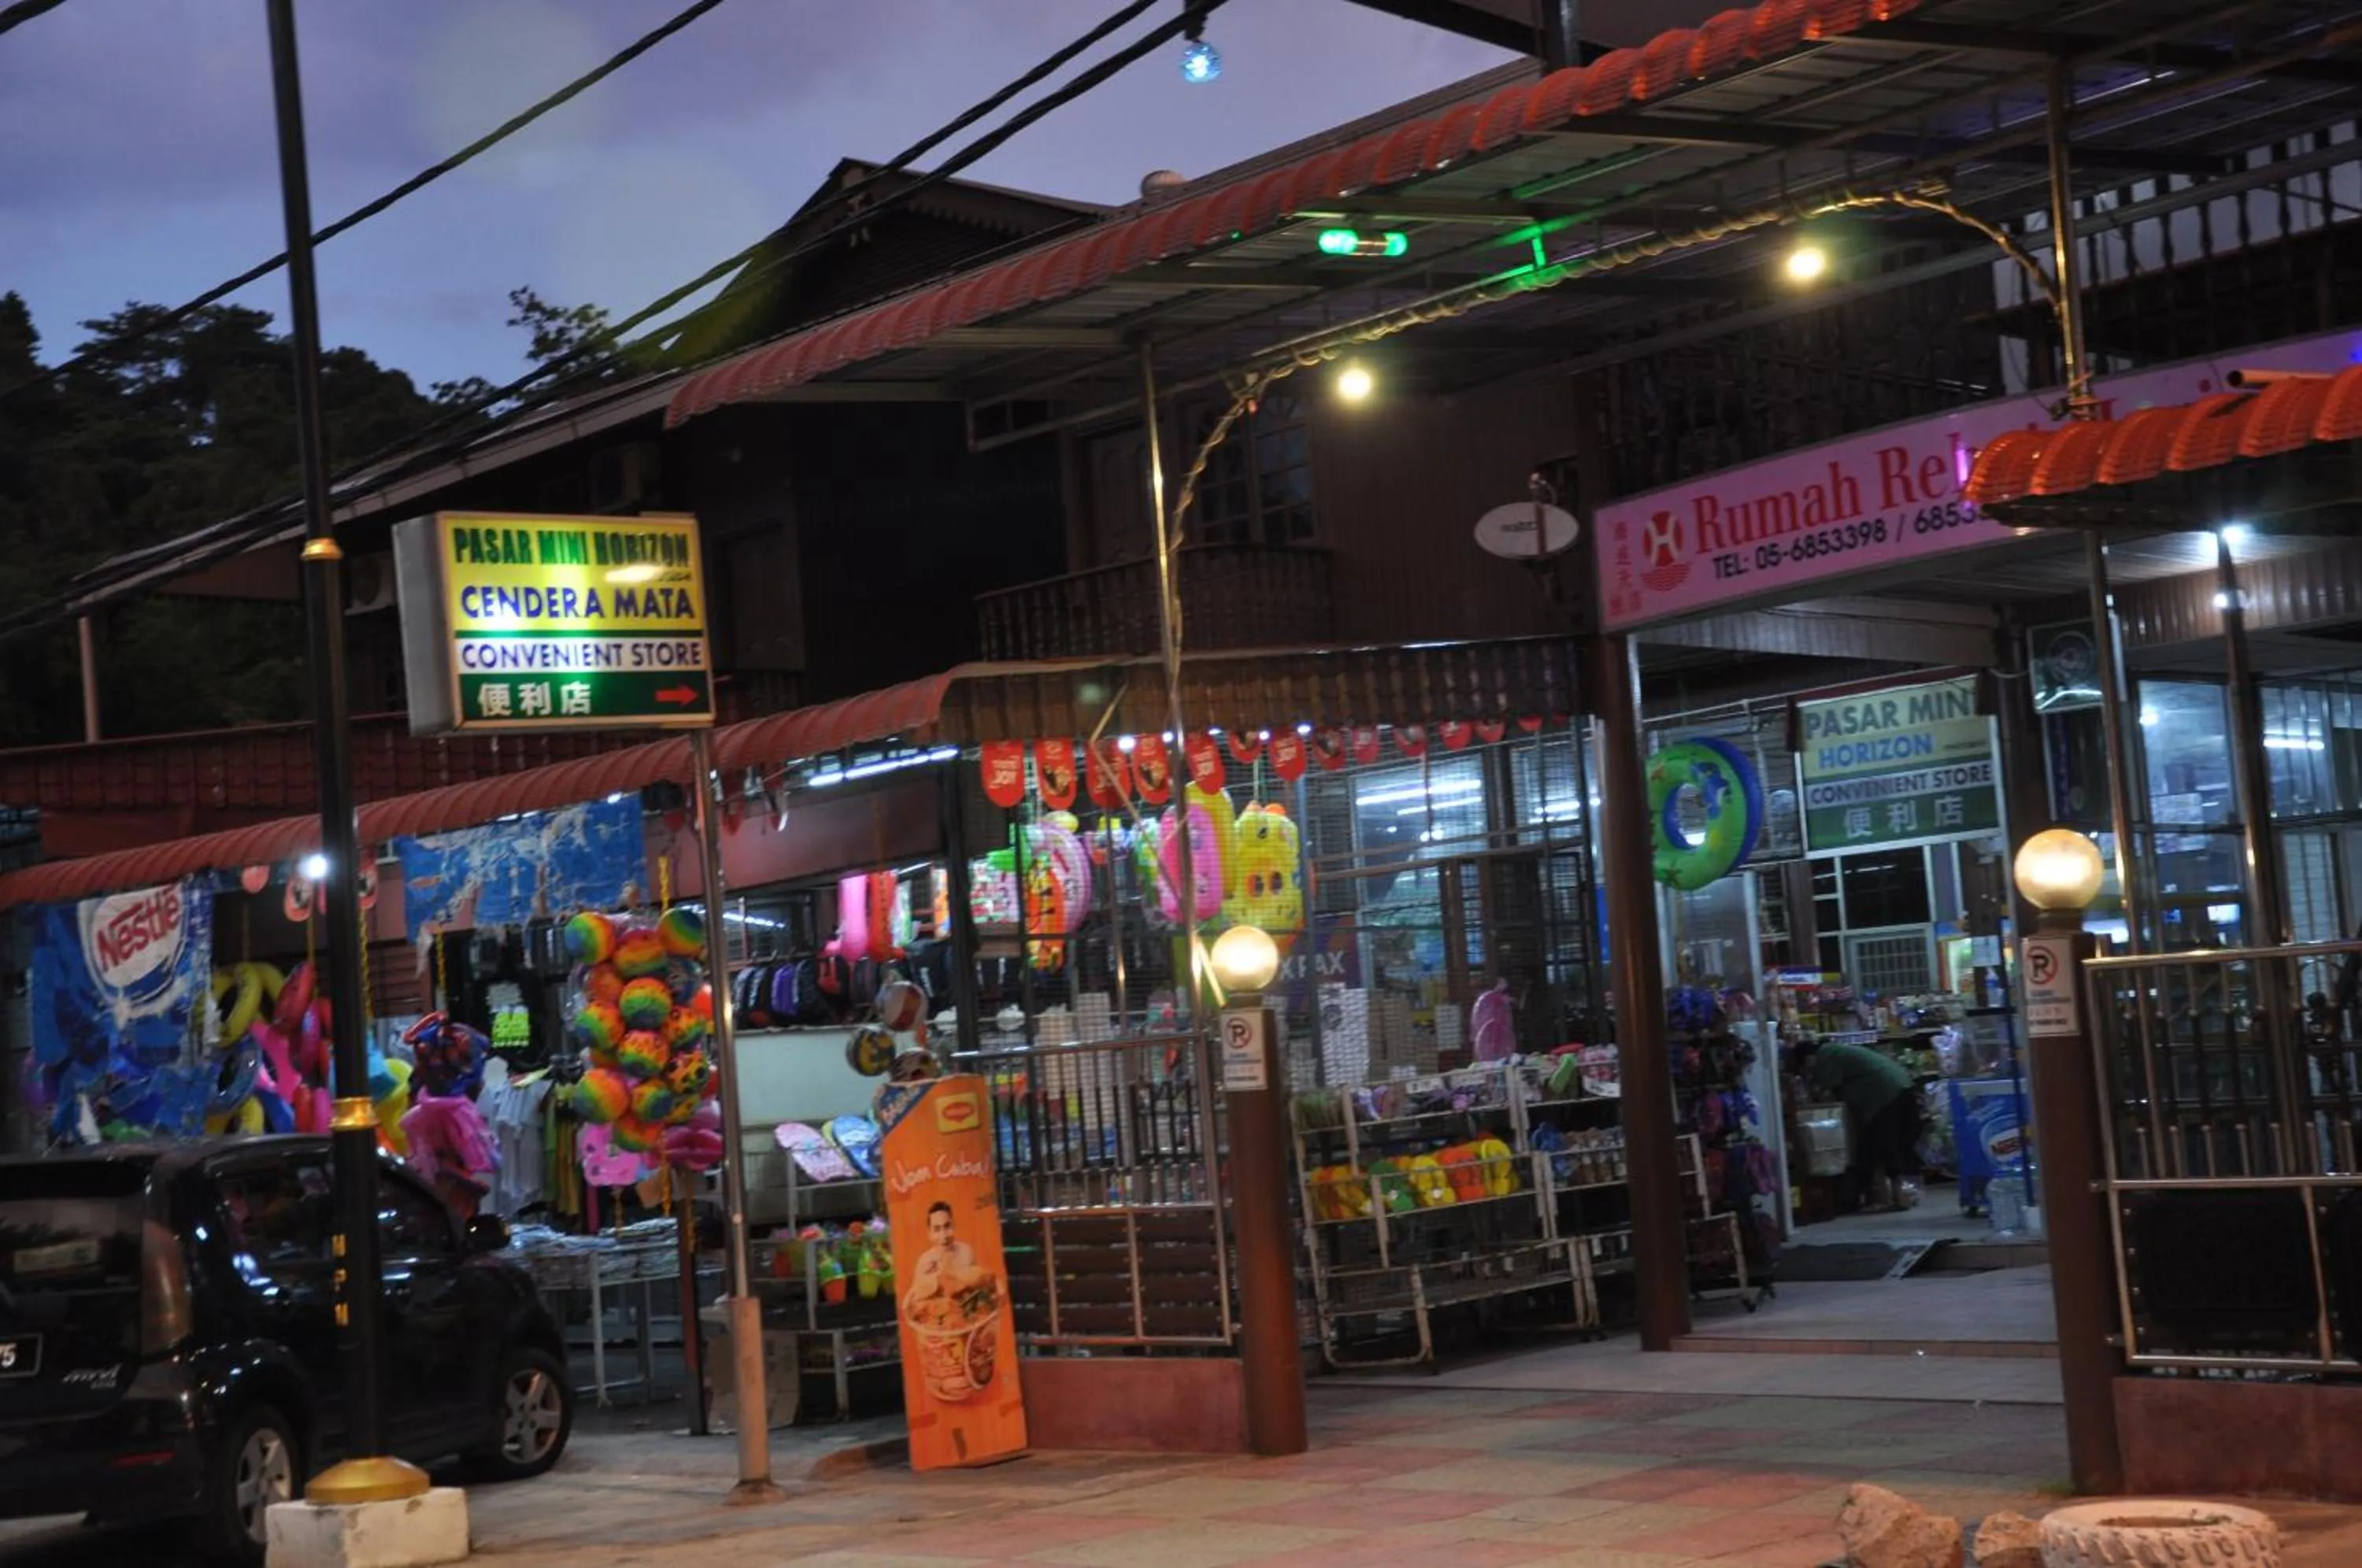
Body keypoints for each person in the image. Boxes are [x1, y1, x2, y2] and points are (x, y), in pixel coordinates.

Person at [1798, 1038, 1923, 1211]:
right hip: (1900, 1086)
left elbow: (1829, 1093)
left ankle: (1891, 1197)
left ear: (1808, 1058)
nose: (1810, 1071)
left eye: (1806, 1068)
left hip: (1883, 1095)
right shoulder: (1837, 1050)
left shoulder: (1826, 1056)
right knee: (1895, 1143)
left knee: (1882, 1145)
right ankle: (1901, 1195)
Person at [907, 1200, 982, 1302]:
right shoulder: (924, 1261)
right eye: (937, 1229)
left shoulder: (966, 1252)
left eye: (947, 1226)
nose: (944, 1235)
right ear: (930, 1233)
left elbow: (978, 1287)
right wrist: (925, 1279)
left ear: (954, 1226)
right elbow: (914, 1300)